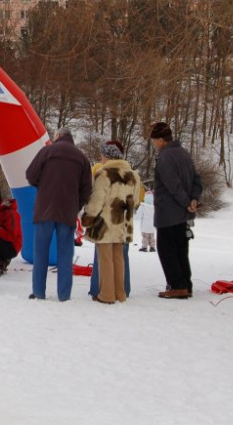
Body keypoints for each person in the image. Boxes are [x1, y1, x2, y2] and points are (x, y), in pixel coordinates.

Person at [25, 128, 93, 302]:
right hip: (67, 212)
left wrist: (43, 187)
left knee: (41, 252)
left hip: (44, 210)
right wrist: (76, 205)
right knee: (65, 253)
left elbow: (30, 175)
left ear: (57, 137)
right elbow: (87, 189)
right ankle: (64, 294)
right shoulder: (82, 158)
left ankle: (39, 292)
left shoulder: (46, 151)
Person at [82, 142, 143, 304]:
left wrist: (88, 216)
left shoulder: (104, 174)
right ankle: (120, 293)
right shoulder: (133, 175)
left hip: (105, 223)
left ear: (107, 156)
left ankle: (107, 294)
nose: (101, 158)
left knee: (105, 258)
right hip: (123, 222)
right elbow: (136, 200)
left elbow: (97, 198)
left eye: (102, 155)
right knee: (118, 258)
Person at [150, 121, 203, 299]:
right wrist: (193, 199)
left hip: (168, 211)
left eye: (154, 141)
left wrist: (187, 201)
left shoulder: (165, 157)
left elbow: (173, 185)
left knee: (167, 250)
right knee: (181, 248)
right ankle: (185, 284)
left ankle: (177, 285)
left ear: (161, 140)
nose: (154, 145)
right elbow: (197, 179)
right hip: (182, 213)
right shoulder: (184, 153)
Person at [0, 187, 22, 276]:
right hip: (3, 243)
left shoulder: (10, 213)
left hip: (11, 246)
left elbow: (11, 236)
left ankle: (3, 259)